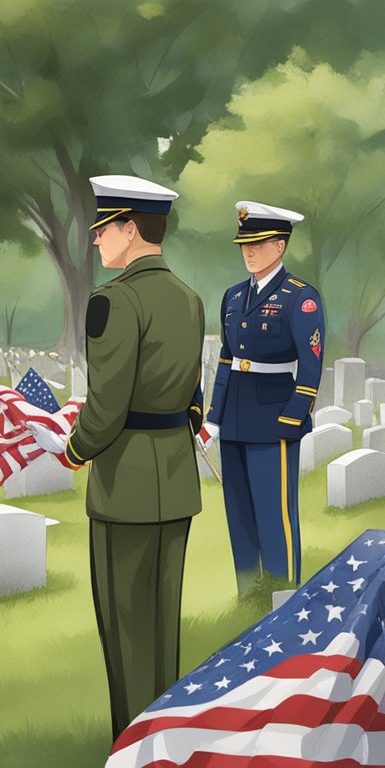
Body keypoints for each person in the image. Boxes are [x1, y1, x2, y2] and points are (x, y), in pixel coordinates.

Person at [29, 175, 205, 740]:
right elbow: (194, 399)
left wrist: (72, 449)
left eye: (104, 229)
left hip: (124, 485)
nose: (96, 241)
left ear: (131, 229)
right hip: (175, 481)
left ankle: (133, 746)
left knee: (126, 631)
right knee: (161, 626)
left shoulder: (113, 301)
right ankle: (166, 738)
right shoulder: (191, 299)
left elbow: (106, 409)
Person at [202, 201, 323, 594]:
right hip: (235, 417)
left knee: (275, 514)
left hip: (274, 418)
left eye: (258, 243)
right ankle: (248, 597)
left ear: (280, 246)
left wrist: (293, 416)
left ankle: (284, 597)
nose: (248, 251)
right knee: (239, 515)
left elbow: (311, 363)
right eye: (244, 244)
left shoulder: (299, 297)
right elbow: (226, 358)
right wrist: (213, 418)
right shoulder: (233, 296)